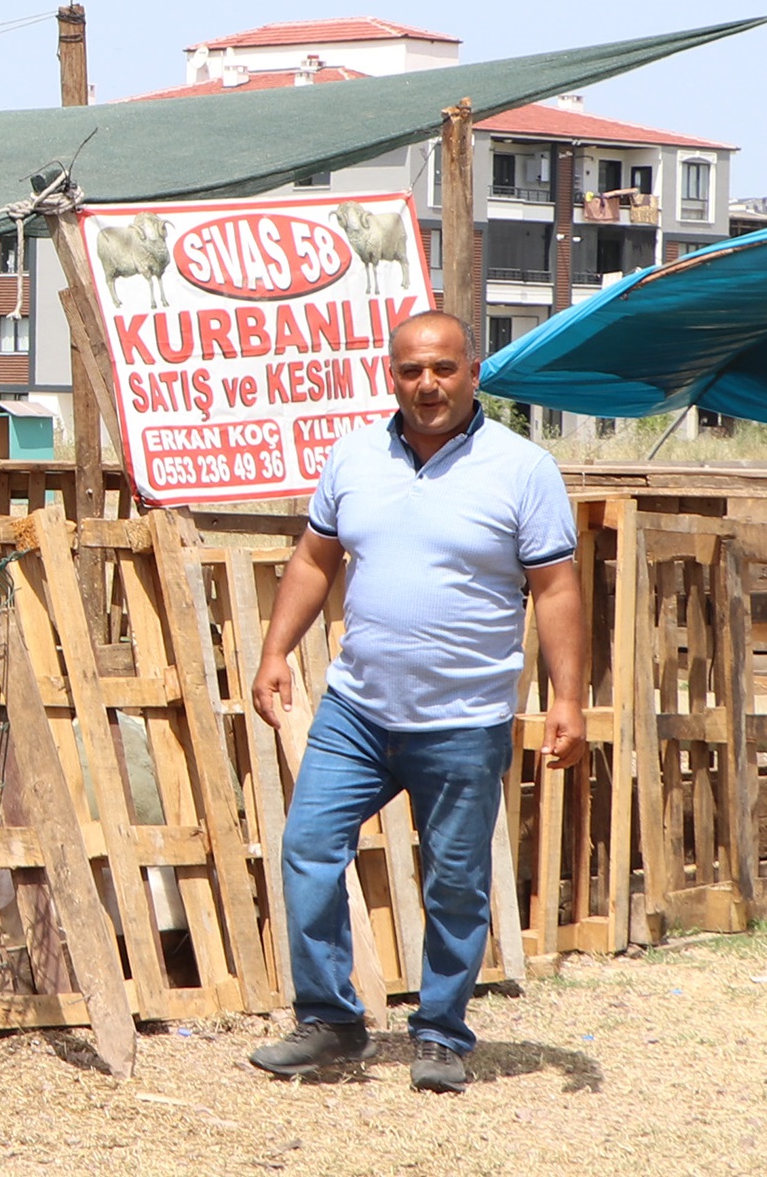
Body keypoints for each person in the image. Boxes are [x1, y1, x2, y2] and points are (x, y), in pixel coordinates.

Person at [247, 309, 585, 1094]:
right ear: (389, 374)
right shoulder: (354, 456)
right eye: (410, 370)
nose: (427, 384)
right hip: (357, 711)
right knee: (307, 852)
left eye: (442, 368)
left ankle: (440, 1034)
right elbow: (313, 558)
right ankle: (331, 1024)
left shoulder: (522, 468)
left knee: (455, 884)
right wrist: (274, 653)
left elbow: (556, 586)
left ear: (473, 371)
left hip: (464, 721)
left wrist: (568, 697)